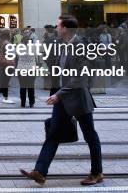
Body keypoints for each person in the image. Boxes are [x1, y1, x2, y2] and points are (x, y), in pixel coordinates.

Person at [20, 14, 103, 186]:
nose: (56, 28)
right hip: (63, 99)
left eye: (58, 26)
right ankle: (40, 172)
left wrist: (59, 94)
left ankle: (97, 172)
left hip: (78, 99)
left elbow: (80, 78)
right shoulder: (64, 45)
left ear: (65, 28)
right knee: (53, 133)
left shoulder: (80, 45)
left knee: (90, 135)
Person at [17, 29, 38, 108]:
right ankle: (31, 102)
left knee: (22, 86)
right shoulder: (33, 47)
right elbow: (36, 56)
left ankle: (23, 103)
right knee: (31, 86)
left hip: (21, 68)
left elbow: (17, 55)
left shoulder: (19, 46)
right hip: (31, 68)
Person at [0, 29, 14, 104]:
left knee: (5, 79)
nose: (11, 34)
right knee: (6, 80)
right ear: (8, 35)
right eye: (10, 33)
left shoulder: (2, 42)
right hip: (8, 63)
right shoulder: (7, 43)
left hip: (5, 64)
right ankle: (5, 97)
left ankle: (4, 95)